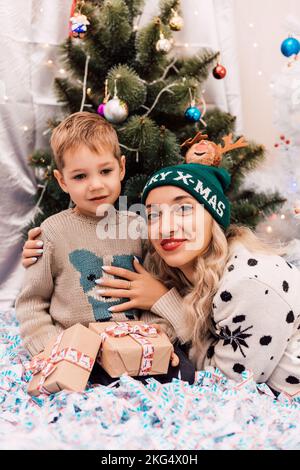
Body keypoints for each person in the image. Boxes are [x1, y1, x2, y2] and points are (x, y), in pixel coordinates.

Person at [22, 147, 300, 396]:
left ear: (213, 216)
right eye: (154, 214)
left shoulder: (250, 284)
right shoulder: (188, 268)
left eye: (183, 209)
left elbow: (227, 385)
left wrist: (161, 302)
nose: (165, 227)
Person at [16, 112, 195, 385]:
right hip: (80, 353)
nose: (96, 185)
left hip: (136, 347)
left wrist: (160, 339)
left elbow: (158, 292)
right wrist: (51, 347)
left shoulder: (139, 228)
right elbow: (32, 302)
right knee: (76, 387)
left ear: (121, 168)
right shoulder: (52, 232)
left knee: (185, 373)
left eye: (105, 171)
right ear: (62, 181)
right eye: (79, 176)